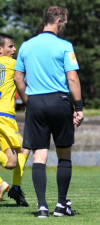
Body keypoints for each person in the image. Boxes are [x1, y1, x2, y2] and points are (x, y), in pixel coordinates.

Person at [14, 6, 84, 218]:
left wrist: (28, 102)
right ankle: (61, 205)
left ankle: (42, 207)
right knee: (64, 155)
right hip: (59, 101)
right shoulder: (64, 46)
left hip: (35, 103)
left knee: (39, 156)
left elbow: (18, 78)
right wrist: (79, 107)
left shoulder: (26, 46)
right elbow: (72, 78)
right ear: (60, 21)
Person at [0, 33, 30, 206]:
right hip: (4, 115)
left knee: (11, 162)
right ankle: (14, 187)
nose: (14, 49)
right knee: (25, 147)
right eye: (10, 46)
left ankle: (12, 187)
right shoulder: (13, 64)